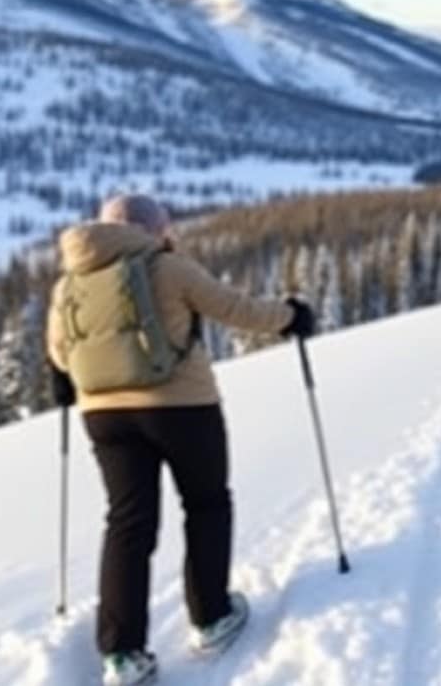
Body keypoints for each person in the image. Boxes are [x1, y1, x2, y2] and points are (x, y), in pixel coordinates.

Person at [46, 194, 316, 686]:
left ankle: (123, 655)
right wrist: (291, 316)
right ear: (155, 229)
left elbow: (61, 356)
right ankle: (211, 617)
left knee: (128, 522)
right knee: (207, 503)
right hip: (183, 407)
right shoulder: (167, 267)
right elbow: (236, 309)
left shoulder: (70, 282)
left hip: (105, 416)